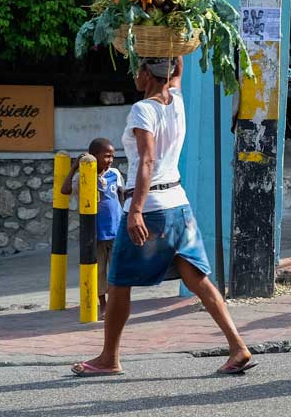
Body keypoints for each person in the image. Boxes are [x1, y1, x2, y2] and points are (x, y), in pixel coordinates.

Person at [71, 56, 255, 377]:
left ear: (146, 74)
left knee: (117, 283)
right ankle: (237, 346)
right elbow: (178, 71)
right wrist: (173, 40)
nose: (134, 75)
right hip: (178, 205)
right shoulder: (177, 102)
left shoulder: (143, 110)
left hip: (151, 206)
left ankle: (108, 358)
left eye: (137, 70)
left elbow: (147, 160)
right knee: (197, 278)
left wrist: (136, 210)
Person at [61, 138, 124, 319]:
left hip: (116, 231)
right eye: (106, 156)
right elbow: (64, 191)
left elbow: (121, 196)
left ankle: (115, 305)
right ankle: (102, 305)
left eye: (112, 156)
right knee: (99, 272)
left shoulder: (115, 174)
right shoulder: (84, 177)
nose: (110, 160)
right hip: (96, 233)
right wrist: (75, 168)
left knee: (117, 270)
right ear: (93, 157)